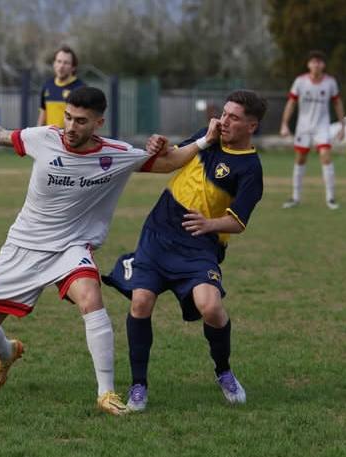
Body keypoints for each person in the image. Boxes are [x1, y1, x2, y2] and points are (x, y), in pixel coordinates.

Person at [0, 86, 204, 415]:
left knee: (90, 297)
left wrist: (204, 141)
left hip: (70, 248)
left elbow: (169, 162)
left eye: (81, 121)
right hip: (23, 246)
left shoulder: (115, 154)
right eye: (68, 118)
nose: (71, 127)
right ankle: (7, 352)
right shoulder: (43, 137)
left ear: (98, 123)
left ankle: (106, 393)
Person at [102, 90, 267, 411]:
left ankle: (224, 371)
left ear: (252, 126)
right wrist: (159, 148)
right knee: (141, 302)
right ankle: (138, 385)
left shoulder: (251, 169)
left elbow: (239, 222)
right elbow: (169, 162)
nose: (224, 121)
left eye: (234, 117)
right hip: (159, 233)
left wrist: (209, 224)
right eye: (224, 113)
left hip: (198, 245)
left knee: (211, 308)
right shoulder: (209, 137)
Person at [279, 50, 345, 210]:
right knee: (300, 159)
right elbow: (291, 103)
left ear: (323, 65)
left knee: (326, 157)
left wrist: (343, 126)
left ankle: (330, 198)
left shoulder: (330, 82)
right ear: (309, 65)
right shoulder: (300, 82)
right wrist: (284, 123)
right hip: (303, 127)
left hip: (322, 126)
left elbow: (337, 103)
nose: (316, 64)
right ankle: (295, 197)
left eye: (319, 62)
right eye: (313, 61)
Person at [37, 45, 85, 128]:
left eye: (66, 63)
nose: (61, 66)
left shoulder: (81, 89)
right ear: (54, 64)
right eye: (59, 61)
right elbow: (43, 112)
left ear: (73, 67)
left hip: (70, 139)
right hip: (50, 138)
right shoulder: (47, 86)